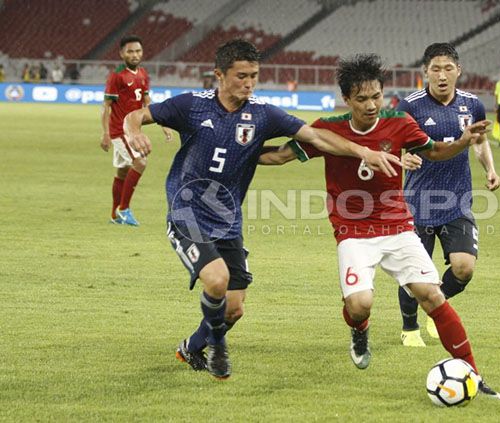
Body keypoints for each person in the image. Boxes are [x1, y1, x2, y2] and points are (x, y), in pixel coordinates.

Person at [122, 39, 401, 380]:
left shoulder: (263, 114)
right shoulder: (191, 106)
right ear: (219, 75)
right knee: (217, 278)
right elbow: (137, 115)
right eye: (241, 76)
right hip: (187, 213)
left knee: (235, 308)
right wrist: (133, 132)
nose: (249, 83)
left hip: (228, 220)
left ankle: (192, 347)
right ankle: (218, 352)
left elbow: (316, 137)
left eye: (254, 75)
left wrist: (364, 152)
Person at [259, 53, 500, 399]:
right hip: (353, 231)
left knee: (432, 295)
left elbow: (433, 151)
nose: (371, 105)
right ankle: (360, 330)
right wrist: (241, 152)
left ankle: (475, 376)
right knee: (360, 304)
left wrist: (463, 141)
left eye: (376, 96)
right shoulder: (329, 129)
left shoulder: (399, 123)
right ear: (347, 99)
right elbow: (280, 155)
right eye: (361, 99)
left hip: (397, 226)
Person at [395, 42, 500, 348]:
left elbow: (479, 141)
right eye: (435, 69)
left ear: (458, 71)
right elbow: (390, 142)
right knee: (415, 272)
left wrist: (489, 169)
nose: (442, 75)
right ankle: (410, 327)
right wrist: (402, 157)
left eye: (448, 69)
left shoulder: (472, 105)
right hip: (418, 204)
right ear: (425, 72)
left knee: (464, 268)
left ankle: (436, 304)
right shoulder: (410, 106)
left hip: (458, 202)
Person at [101, 35, 170, 226]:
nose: (134, 54)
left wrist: (163, 124)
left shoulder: (142, 74)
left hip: (132, 129)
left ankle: (115, 216)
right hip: (121, 131)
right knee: (140, 162)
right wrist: (105, 133)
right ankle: (124, 209)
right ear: (122, 53)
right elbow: (106, 106)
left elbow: (147, 103)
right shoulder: (117, 76)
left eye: (138, 51)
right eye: (130, 51)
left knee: (122, 172)